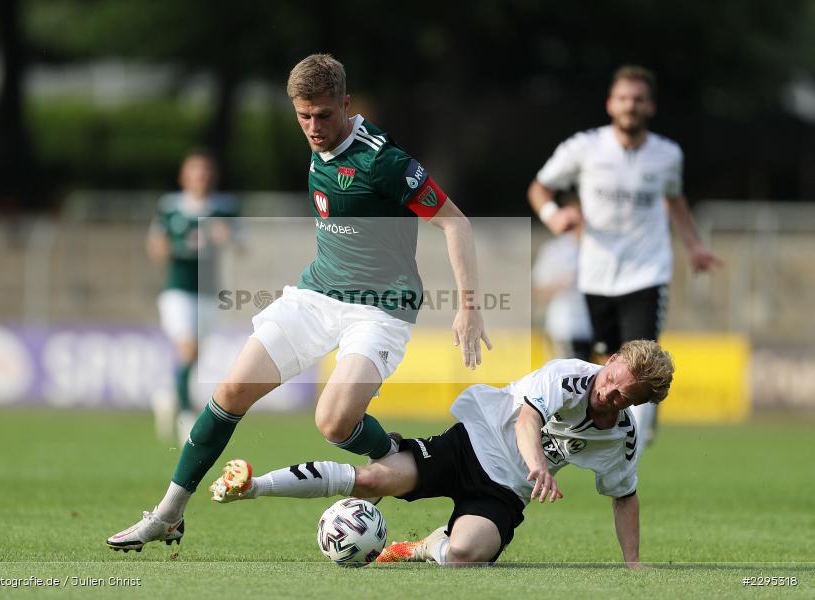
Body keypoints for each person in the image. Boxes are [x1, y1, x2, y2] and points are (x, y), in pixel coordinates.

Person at [107, 54, 491, 552]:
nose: (312, 127)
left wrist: (469, 306)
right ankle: (167, 514)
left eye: (324, 115)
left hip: (379, 308)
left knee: (333, 422)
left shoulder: (383, 161)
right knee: (229, 391)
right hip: (315, 295)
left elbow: (455, 222)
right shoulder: (318, 142)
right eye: (303, 116)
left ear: (346, 105)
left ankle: (404, 460)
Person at [210, 339, 674, 568]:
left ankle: (429, 543)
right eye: (611, 378)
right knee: (372, 481)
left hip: (504, 493)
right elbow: (527, 419)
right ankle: (253, 486)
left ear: (637, 404)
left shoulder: (623, 436)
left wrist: (632, 564)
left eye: (621, 396)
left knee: (464, 557)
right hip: (469, 444)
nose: (608, 392)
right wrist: (539, 466)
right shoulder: (569, 375)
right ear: (611, 359)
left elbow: (624, 494)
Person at [527, 65, 720, 452]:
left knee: (642, 356)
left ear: (650, 106)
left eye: (638, 99)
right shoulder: (584, 148)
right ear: (610, 104)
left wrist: (694, 245)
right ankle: (606, 428)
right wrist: (553, 216)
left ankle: (633, 443)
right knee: (610, 360)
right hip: (597, 275)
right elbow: (540, 187)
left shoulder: (666, 155)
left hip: (647, 272)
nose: (630, 106)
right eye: (623, 99)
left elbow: (674, 199)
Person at [147, 149, 239, 443]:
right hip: (178, 290)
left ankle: (168, 395)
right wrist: (178, 247)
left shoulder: (224, 208)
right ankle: (186, 416)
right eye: (195, 171)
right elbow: (156, 247)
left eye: (205, 171)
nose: (201, 177)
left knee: (194, 353)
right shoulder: (171, 207)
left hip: (209, 292)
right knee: (187, 349)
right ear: (184, 176)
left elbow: (243, 244)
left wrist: (228, 238)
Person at [531, 196, 592, 361]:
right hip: (566, 326)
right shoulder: (555, 249)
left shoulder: (599, 249)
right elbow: (538, 288)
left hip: (597, 326)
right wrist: (561, 283)